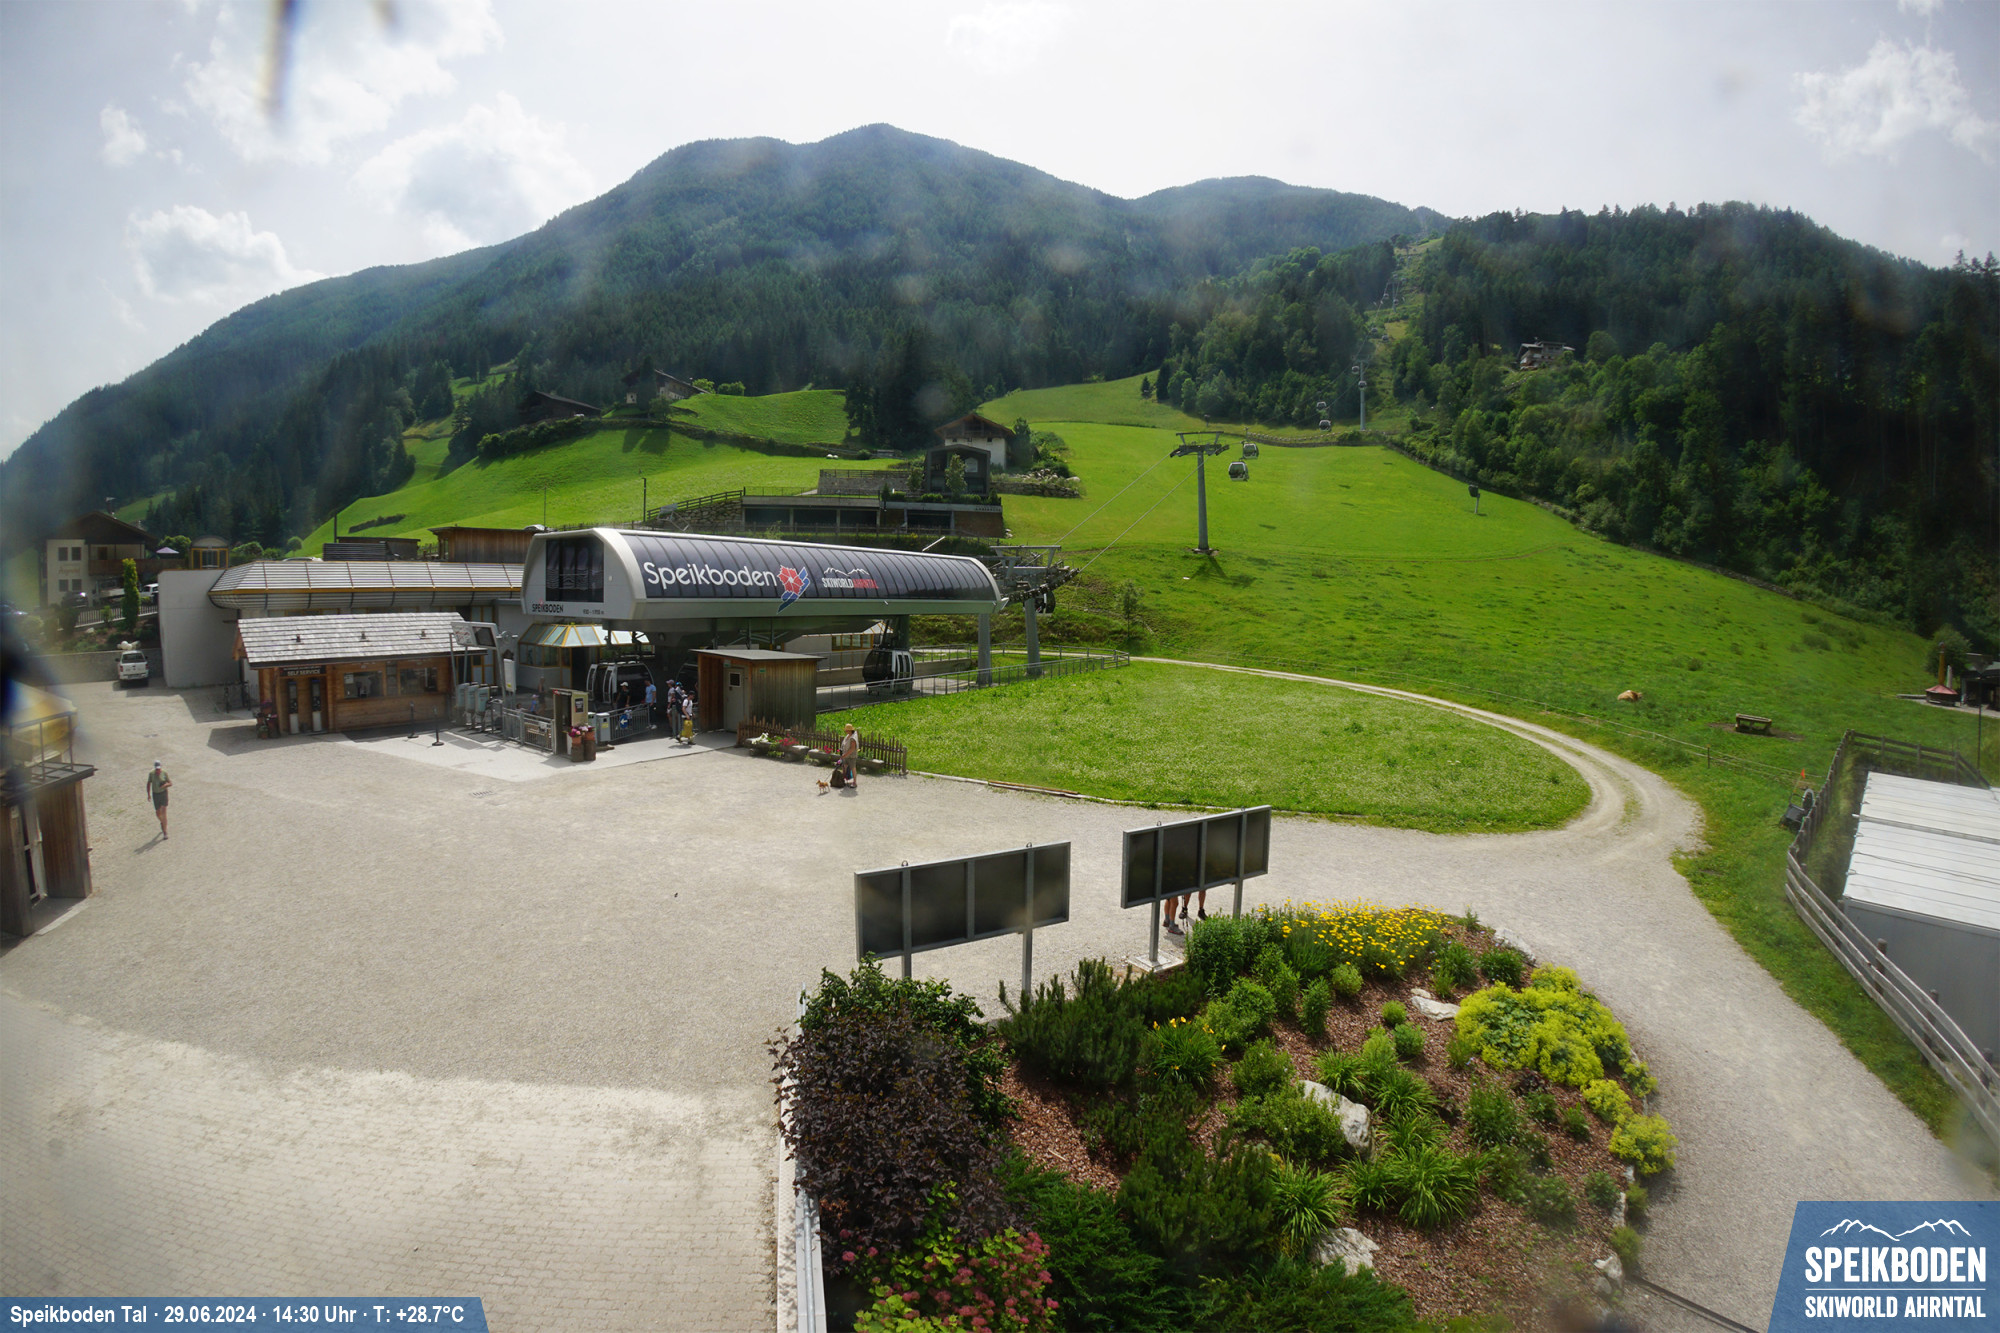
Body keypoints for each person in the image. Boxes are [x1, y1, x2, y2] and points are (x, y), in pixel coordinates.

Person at [146, 761, 172, 839]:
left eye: (159, 769)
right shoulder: (151, 774)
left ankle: (165, 832)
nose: (158, 771)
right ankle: (162, 822)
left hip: (163, 793)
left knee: (164, 812)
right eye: (157, 769)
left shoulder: (164, 773)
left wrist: (165, 785)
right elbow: (148, 784)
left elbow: (170, 783)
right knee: (158, 813)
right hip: (156, 794)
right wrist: (148, 794)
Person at [838, 722, 861, 790]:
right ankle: (844, 779)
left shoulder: (853, 738)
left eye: (847, 730)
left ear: (850, 730)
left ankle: (854, 782)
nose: (845, 731)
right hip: (846, 755)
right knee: (844, 767)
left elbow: (852, 749)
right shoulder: (848, 736)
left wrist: (845, 755)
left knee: (853, 768)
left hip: (851, 756)